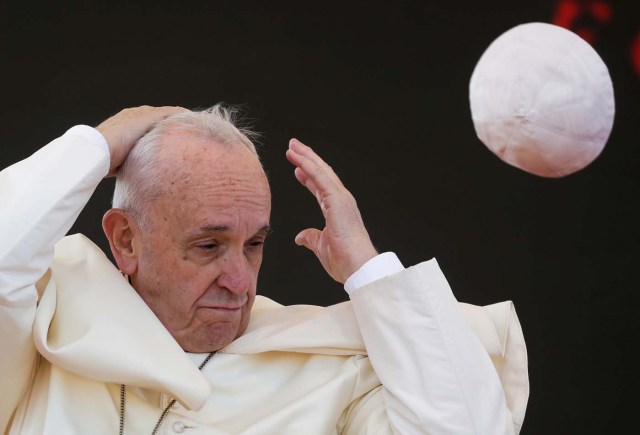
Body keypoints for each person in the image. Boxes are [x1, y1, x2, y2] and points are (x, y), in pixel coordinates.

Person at [0, 105, 528, 434]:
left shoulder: (326, 370)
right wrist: (95, 145)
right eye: (208, 245)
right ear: (125, 239)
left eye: (254, 244)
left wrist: (369, 273)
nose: (239, 281)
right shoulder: (45, 324)